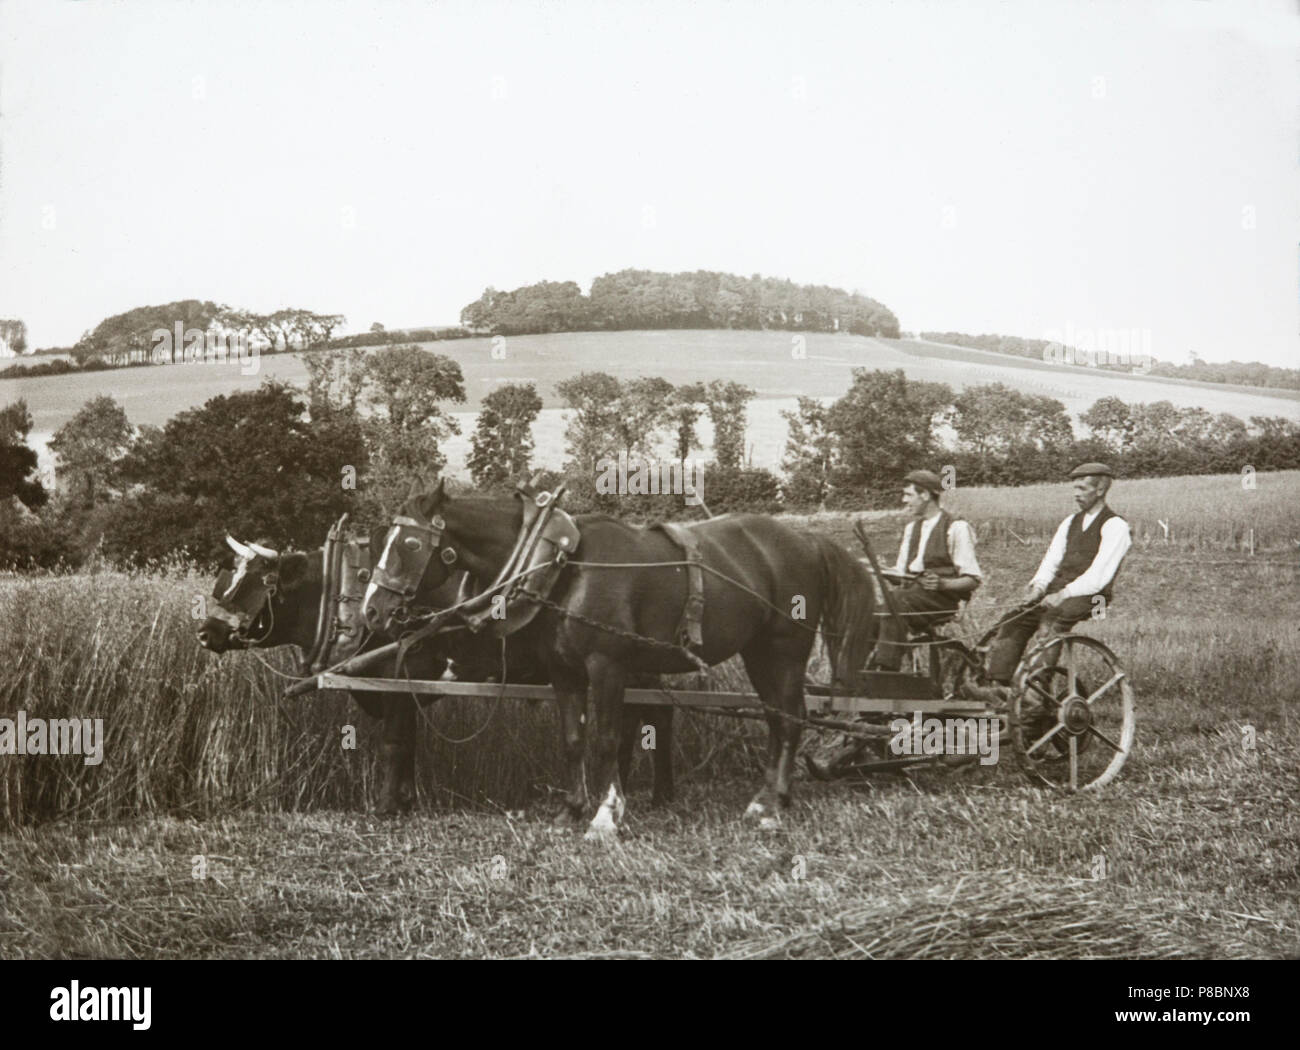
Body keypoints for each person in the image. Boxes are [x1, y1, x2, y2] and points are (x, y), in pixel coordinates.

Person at [965, 462, 1132, 705]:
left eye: (1082, 488)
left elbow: (1099, 576)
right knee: (1014, 620)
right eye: (1074, 488)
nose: (1076, 493)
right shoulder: (1069, 523)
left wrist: (1064, 593)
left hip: (1093, 596)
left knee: (1051, 620)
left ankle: (1036, 689)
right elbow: (1050, 562)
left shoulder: (1115, 526)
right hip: (1058, 591)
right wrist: (1039, 587)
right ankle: (998, 685)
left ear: (1101, 489)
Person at [869, 469, 981, 671]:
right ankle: (855, 674)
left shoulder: (956, 527)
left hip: (940, 600)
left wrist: (943, 583)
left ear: (926, 495)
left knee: (895, 603)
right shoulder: (911, 529)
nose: (904, 500)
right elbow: (902, 574)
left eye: (908, 495)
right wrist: (878, 570)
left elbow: (972, 579)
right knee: (869, 614)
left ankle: (886, 671)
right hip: (910, 595)